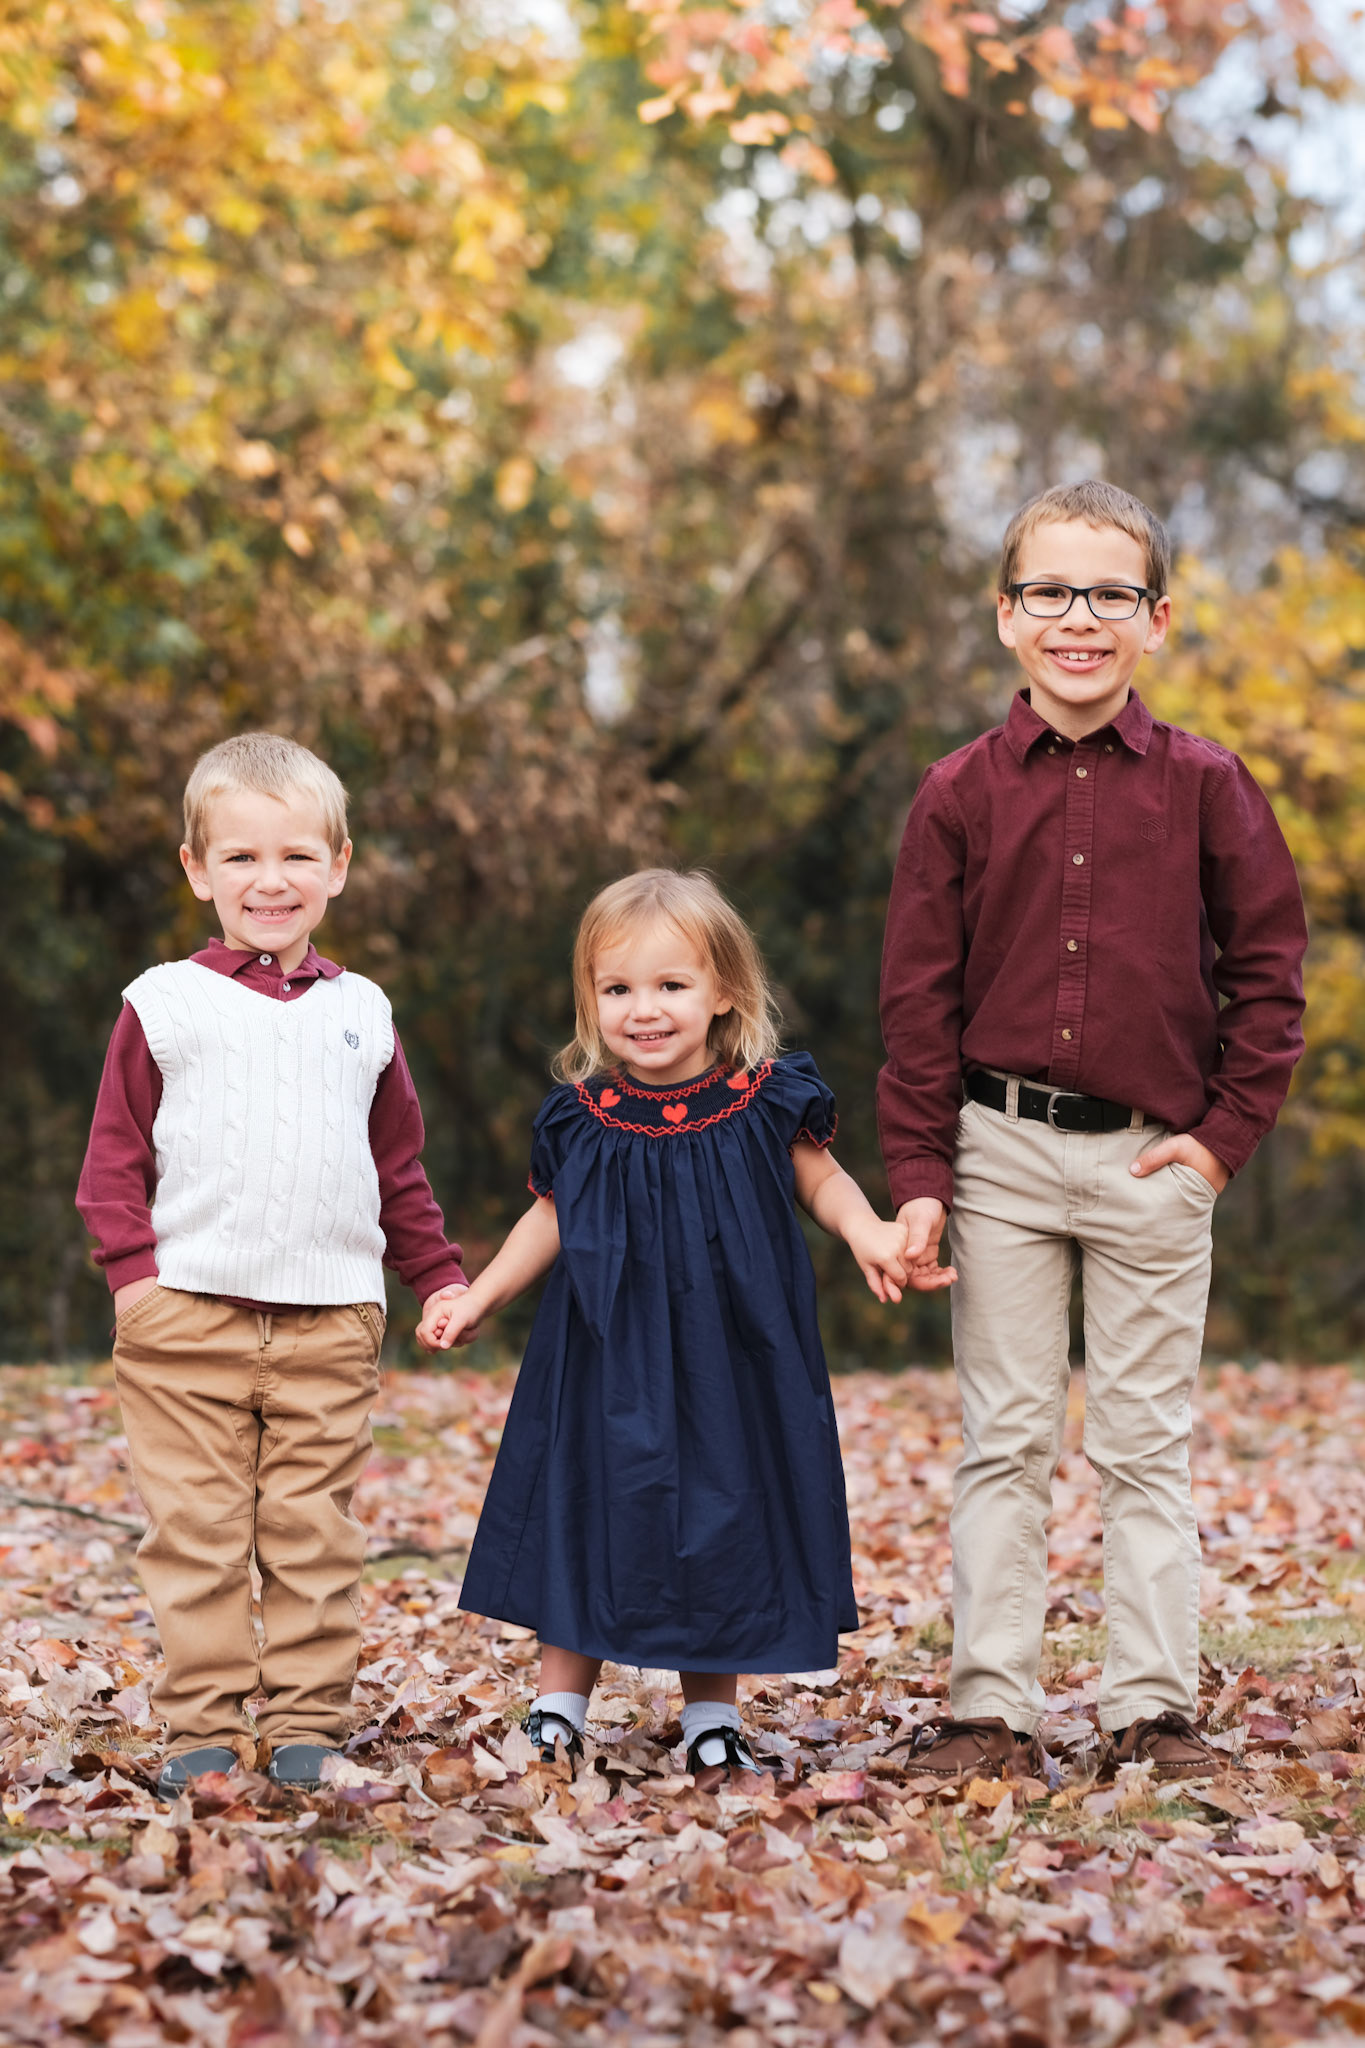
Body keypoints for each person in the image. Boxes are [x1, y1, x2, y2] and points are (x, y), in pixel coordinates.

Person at [878, 480, 1307, 1781]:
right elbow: (917, 1003)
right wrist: (920, 1175)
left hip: (1151, 1157)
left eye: (1111, 593)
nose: (1081, 617)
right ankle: (989, 1712)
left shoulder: (1209, 788)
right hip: (999, 1152)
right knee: (1004, 1438)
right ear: (1007, 615)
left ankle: (1152, 1711)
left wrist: (1221, 1141)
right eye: (1051, 591)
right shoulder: (956, 794)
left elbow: (1269, 976)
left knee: (1142, 1444)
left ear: (1156, 619)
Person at [419, 869, 938, 1783]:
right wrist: (477, 1297)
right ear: (590, 999)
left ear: (722, 991)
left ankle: (711, 1715)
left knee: (720, 1510)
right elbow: (548, 1217)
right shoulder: (582, 1116)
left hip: (729, 1356)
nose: (643, 1009)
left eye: (670, 985)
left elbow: (822, 1180)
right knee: (588, 1504)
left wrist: (869, 1232)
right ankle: (557, 1709)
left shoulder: (764, 1099)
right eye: (617, 989)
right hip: (602, 1352)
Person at [77, 733, 467, 1798]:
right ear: (197, 870)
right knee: (197, 1534)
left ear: (338, 866)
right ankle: (203, 1730)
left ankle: (305, 1729)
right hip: (184, 1317)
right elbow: (112, 1159)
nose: (270, 880)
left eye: (296, 855)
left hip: (330, 1318)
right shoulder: (163, 1003)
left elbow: (395, 1167)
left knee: (312, 1533)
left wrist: (438, 1275)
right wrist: (135, 1281)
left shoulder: (363, 1013)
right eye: (241, 857)